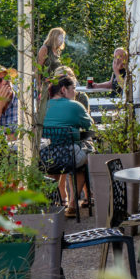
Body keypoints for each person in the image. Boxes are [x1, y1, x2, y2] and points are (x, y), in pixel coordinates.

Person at [42, 75, 93, 216]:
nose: (75, 93)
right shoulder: (75, 106)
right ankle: (72, 204)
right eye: (73, 89)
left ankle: (53, 204)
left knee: (54, 165)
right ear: (63, 89)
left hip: (46, 157)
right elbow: (89, 125)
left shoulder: (42, 107)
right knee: (84, 157)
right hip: (69, 157)